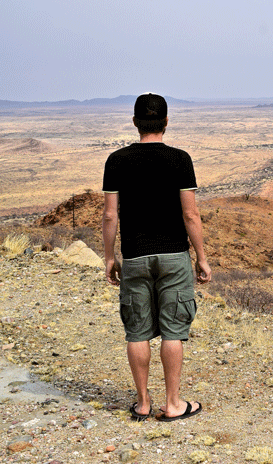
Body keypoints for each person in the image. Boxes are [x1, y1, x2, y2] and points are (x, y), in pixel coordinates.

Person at [102, 93, 211, 422]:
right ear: (166, 122)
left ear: (135, 122)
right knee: (173, 331)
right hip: (175, 256)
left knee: (136, 331)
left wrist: (109, 257)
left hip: (134, 256)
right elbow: (190, 215)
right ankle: (174, 403)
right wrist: (202, 257)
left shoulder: (116, 161)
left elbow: (109, 216)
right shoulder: (180, 160)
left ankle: (143, 403)